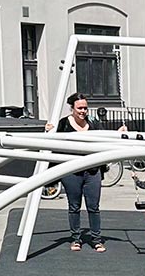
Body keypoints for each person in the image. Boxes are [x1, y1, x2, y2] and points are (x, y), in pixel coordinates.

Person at [44, 92, 126, 253]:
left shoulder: (93, 122)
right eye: (80, 108)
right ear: (72, 108)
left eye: (85, 108)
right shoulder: (63, 124)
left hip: (92, 171)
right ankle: (76, 239)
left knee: (93, 206)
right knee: (74, 206)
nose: (83, 111)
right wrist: (49, 131)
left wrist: (119, 132)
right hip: (71, 170)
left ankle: (96, 240)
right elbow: (53, 143)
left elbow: (104, 138)